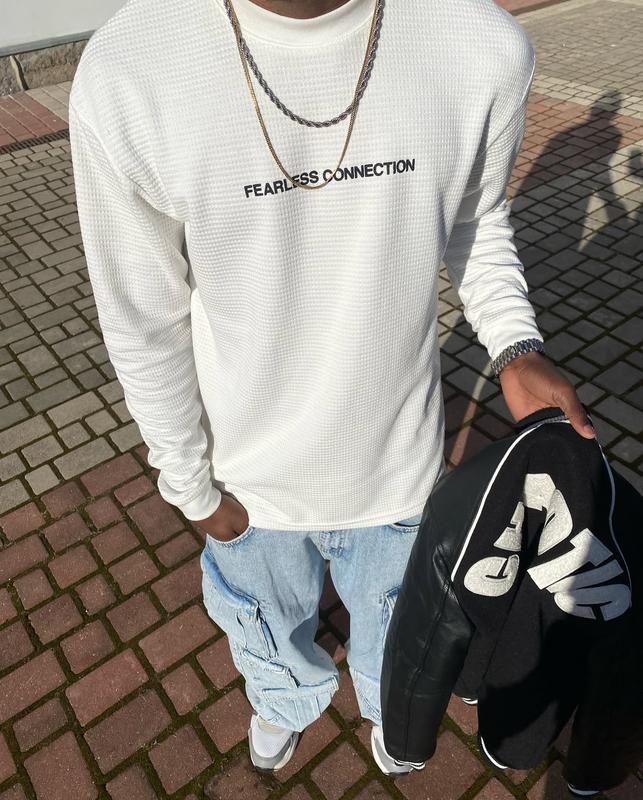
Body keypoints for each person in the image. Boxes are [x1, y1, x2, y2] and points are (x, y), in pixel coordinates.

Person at [68, 0, 595, 776]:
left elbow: (473, 217)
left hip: (398, 469)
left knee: (396, 631)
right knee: (265, 628)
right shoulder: (131, 69)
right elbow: (142, 316)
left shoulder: (478, 44)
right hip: (244, 482)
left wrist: (515, 345)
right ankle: (284, 700)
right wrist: (189, 488)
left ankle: (388, 710)